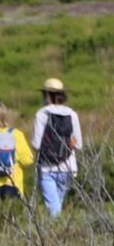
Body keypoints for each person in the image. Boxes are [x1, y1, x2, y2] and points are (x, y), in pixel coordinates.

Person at [31, 78, 82, 218]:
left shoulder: (42, 114)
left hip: (47, 167)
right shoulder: (72, 114)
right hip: (68, 167)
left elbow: (36, 144)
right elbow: (79, 144)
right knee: (57, 205)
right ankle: (60, 233)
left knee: (53, 208)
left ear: (47, 95)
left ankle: (57, 235)